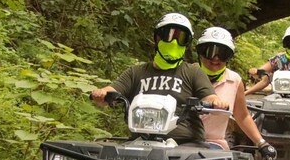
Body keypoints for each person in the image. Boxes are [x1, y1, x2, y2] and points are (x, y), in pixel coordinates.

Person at [91, 13, 229, 144]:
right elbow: (112, 90)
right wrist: (102, 94)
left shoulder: (193, 72)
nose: (174, 41)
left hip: (185, 143)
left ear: (187, 43)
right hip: (141, 140)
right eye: (168, 35)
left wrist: (216, 103)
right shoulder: (135, 72)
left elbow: (209, 97)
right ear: (157, 38)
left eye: (181, 38)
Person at [195, 27, 277, 160]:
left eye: (223, 53)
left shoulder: (234, 80)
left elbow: (243, 116)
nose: (216, 58)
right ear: (200, 52)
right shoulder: (188, 73)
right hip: (181, 140)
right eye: (210, 51)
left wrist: (262, 144)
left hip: (214, 144)